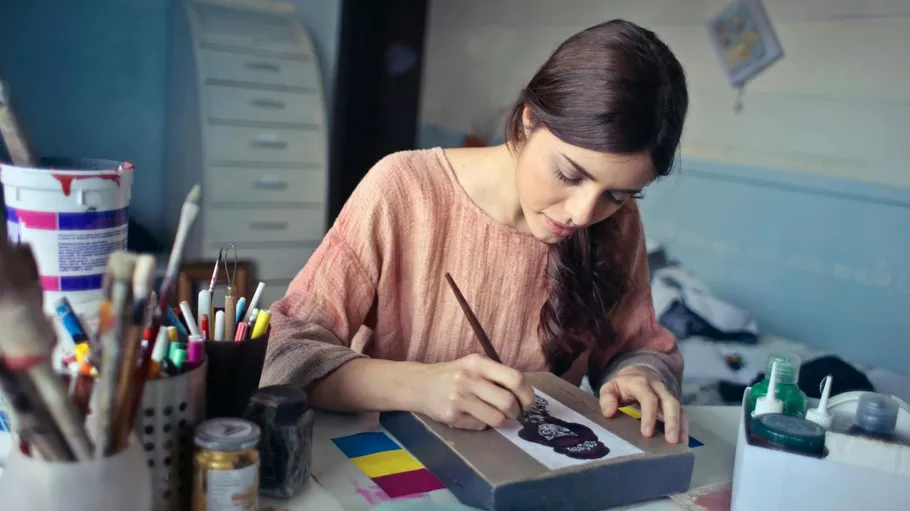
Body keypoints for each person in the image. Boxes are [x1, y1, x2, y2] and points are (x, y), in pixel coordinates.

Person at [260, 19, 690, 443]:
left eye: (617, 194)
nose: (582, 213)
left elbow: (639, 346)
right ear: (525, 121)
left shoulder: (616, 221)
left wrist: (639, 373)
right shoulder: (404, 190)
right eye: (568, 173)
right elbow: (283, 353)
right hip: (388, 465)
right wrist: (418, 386)